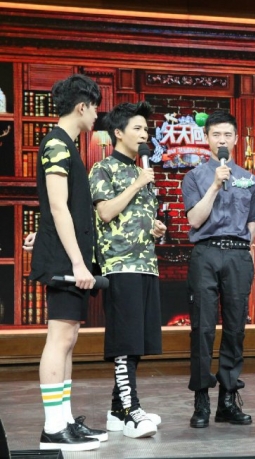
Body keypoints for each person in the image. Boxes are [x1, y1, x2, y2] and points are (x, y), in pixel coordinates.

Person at [29, 74, 106, 451]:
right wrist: (77, 262)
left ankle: (64, 419)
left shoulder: (66, 145)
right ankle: (53, 427)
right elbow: (58, 206)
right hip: (65, 258)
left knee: (69, 338)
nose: (96, 116)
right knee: (59, 338)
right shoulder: (58, 144)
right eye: (95, 108)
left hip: (66, 253)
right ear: (81, 107)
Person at [88, 101, 166, 438]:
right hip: (119, 265)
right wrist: (136, 184)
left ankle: (117, 412)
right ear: (118, 133)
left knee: (136, 341)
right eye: (137, 128)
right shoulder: (102, 169)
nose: (144, 134)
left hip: (146, 264)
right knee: (124, 341)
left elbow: (140, 218)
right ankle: (132, 411)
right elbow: (106, 213)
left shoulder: (143, 172)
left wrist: (157, 228)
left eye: (146, 129)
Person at [181, 110, 255, 428]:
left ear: (236, 139)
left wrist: (244, 248)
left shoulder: (250, 179)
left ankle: (228, 400)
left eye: (228, 135)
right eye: (216, 134)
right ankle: (201, 401)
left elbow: (253, 222)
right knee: (202, 328)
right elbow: (194, 219)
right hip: (206, 252)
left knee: (235, 328)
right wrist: (215, 186)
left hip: (238, 256)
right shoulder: (194, 177)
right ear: (206, 139)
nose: (222, 140)